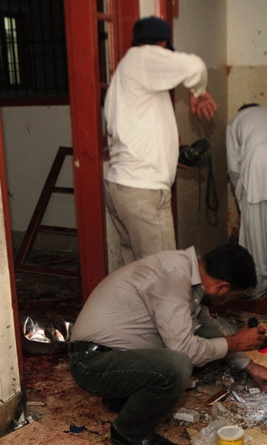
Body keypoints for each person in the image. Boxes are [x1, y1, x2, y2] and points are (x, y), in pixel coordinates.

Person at [68, 244, 267, 445]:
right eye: (231, 295)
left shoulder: (189, 276)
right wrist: (236, 342)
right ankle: (129, 432)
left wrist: (249, 365)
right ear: (222, 287)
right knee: (178, 365)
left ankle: (123, 398)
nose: (226, 301)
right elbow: (187, 351)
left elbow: (212, 331)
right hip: (91, 363)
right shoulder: (171, 278)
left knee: (206, 343)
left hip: (116, 357)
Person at [103, 16, 217, 268]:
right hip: (144, 191)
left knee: (136, 272)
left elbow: (135, 134)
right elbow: (195, 67)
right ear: (163, 44)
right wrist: (198, 91)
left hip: (122, 186)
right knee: (164, 273)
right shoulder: (145, 58)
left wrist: (172, 155)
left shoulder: (124, 75)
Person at [226, 103, 267, 296]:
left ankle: (261, 289)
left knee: (257, 237)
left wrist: (241, 195)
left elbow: (233, 168)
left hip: (258, 170)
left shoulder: (235, 121)